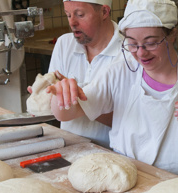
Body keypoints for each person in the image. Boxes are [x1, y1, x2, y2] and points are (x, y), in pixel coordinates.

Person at [48, 0, 178, 177]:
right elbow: (66, 114)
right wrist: (62, 96)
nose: (140, 52)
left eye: (151, 42)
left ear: (172, 35)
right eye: (132, 43)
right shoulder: (120, 71)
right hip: (127, 180)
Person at [30, 0, 128, 148]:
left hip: (111, 152)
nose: (72, 23)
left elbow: (131, 120)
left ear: (104, 12)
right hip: (69, 147)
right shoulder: (64, 45)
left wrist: (79, 99)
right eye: (68, 15)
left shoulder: (128, 53)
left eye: (80, 15)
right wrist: (43, 100)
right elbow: (54, 107)